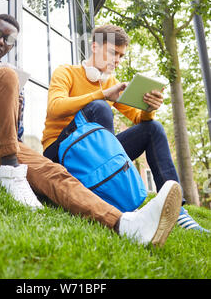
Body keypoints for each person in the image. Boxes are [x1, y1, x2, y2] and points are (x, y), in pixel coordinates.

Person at [0, 14, 182, 247]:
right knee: (7, 75)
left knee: (56, 174)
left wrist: (14, 111)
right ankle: (13, 171)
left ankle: (126, 224)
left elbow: (16, 134)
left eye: (9, 40)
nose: (2, 42)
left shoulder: (13, 81)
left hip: (6, 150)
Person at [42, 24, 209, 234]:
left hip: (94, 153)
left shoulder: (111, 83)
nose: (117, 61)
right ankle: (113, 194)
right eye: (113, 53)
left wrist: (149, 108)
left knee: (153, 128)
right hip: (59, 152)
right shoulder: (66, 72)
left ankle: (176, 210)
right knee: (100, 108)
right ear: (94, 47)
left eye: (121, 56)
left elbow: (140, 120)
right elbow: (55, 107)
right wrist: (102, 95)